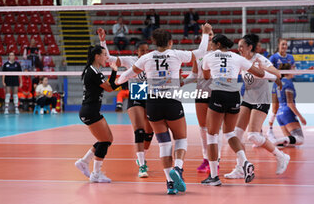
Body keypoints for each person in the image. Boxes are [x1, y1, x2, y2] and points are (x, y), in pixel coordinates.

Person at [116, 27, 210, 194]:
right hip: (171, 101)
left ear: (153, 42)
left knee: (164, 143)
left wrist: (116, 82)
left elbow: (126, 76)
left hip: (152, 104)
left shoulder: (146, 57)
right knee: (181, 138)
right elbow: (202, 51)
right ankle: (178, 169)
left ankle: (170, 184)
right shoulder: (176, 54)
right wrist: (205, 32)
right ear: (170, 42)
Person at [201, 34, 272, 186]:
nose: (211, 47)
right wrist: (275, 74)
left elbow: (206, 76)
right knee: (229, 133)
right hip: (234, 96)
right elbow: (259, 73)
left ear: (217, 44)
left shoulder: (209, 56)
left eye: (213, 44)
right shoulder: (237, 58)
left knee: (212, 135)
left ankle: (214, 176)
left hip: (218, 94)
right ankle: (245, 162)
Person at [224, 34, 290, 180]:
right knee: (236, 134)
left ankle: (281, 156)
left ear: (250, 47)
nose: (239, 49)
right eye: (238, 46)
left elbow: (277, 74)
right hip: (247, 99)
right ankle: (240, 168)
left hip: (261, 100)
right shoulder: (241, 60)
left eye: (242, 46)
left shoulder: (259, 59)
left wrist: (264, 71)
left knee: (253, 135)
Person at [97, 28, 154, 178]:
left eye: (147, 50)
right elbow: (109, 58)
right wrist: (103, 40)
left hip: (150, 94)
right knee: (139, 130)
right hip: (137, 91)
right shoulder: (131, 60)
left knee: (149, 133)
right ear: (137, 52)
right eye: (142, 51)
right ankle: (142, 165)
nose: (145, 53)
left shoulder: (152, 61)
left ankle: (142, 157)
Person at [75, 44, 120, 183]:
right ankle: (96, 173)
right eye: (104, 55)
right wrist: (114, 72)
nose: (106, 57)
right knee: (105, 140)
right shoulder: (93, 71)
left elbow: (109, 87)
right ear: (97, 56)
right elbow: (110, 88)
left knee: (108, 139)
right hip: (89, 111)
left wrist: (115, 76)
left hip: (91, 110)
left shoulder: (94, 70)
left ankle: (84, 162)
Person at [182, 24, 223, 173]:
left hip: (216, 93)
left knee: (215, 129)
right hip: (201, 93)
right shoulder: (198, 55)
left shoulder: (219, 54)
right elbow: (194, 75)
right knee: (202, 128)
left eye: (211, 35)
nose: (210, 37)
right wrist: (182, 82)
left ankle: (216, 159)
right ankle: (206, 158)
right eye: (207, 35)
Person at [270, 63, 306, 147]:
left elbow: (275, 103)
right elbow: (290, 103)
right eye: (293, 69)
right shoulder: (288, 83)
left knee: (290, 142)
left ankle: (278, 143)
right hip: (287, 113)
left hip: (279, 114)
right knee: (300, 139)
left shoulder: (277, 83)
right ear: (287, 72)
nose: (295, 71)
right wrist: (301, 117)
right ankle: (274, 141)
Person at [268, 39, 295, 139]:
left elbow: (293, 72)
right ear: (278, 45)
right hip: (277, 85)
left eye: (286, 45)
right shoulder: (274, 57)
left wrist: (307, 71)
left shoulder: (290, 57)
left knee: (289, 107)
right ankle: (270, 130)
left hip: (287, 84)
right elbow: (268, 70)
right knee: (275, 109)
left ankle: (289, 130)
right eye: (283, 44)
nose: (284, 46)